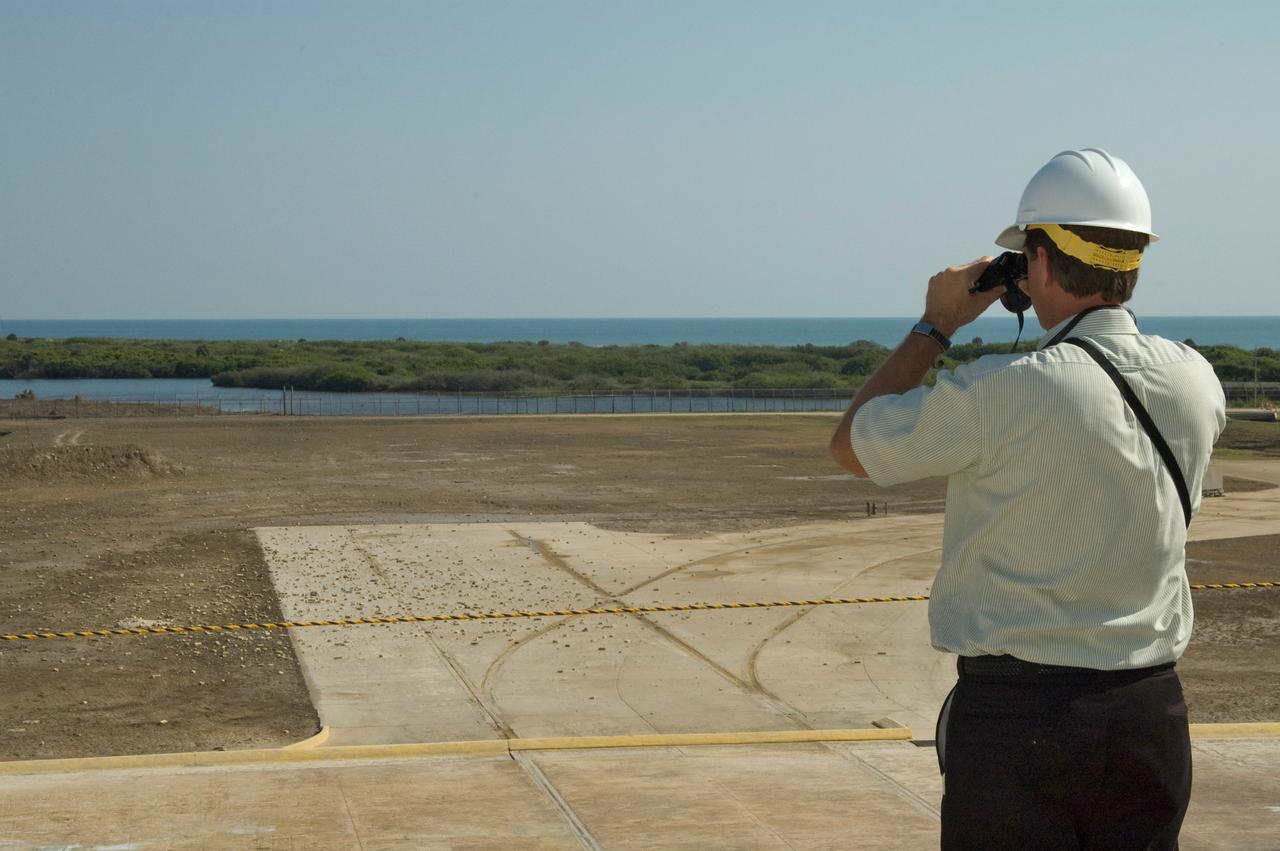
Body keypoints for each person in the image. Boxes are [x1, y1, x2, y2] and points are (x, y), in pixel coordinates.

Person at [829, 148, 1226, 850]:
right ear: (1134, 258)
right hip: (1151, 716)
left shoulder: (1002, 391)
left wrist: (937, 324)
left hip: (1021, 721)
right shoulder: (1197, 380)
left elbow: (853, 443)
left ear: (1036, 262)